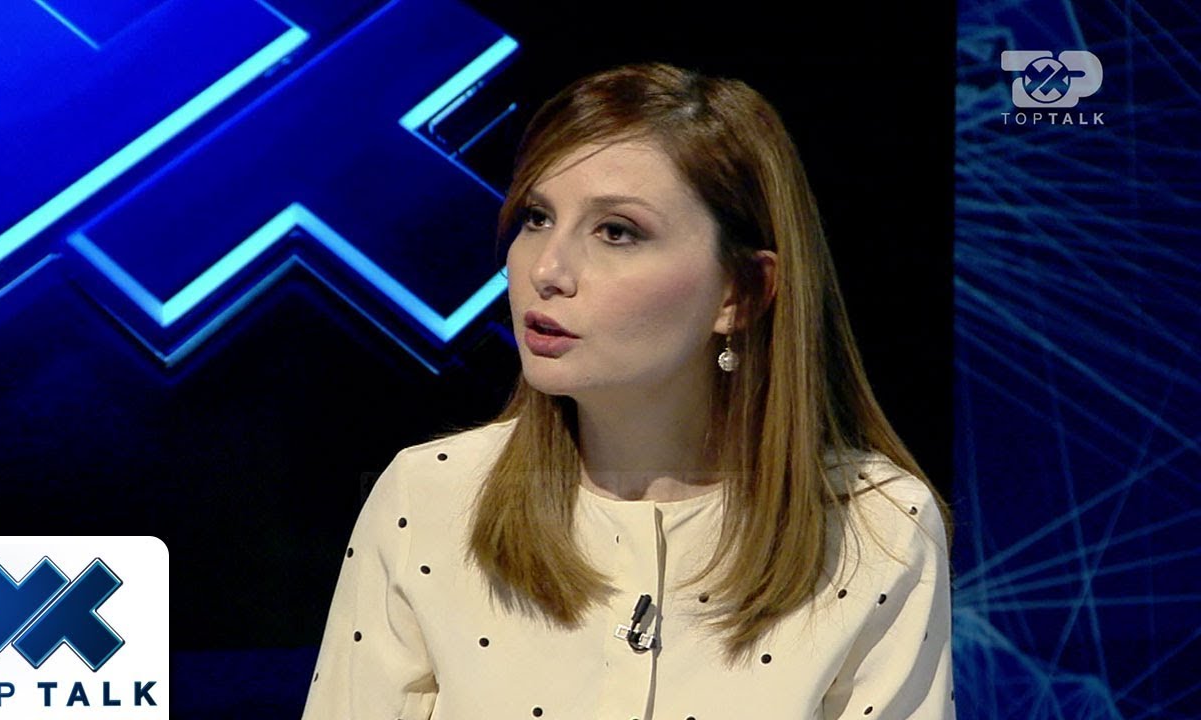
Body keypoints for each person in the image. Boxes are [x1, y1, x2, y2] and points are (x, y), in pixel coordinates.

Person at [302, 62, 954, 719]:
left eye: (616, 231)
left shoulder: (878, 528)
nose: (547, 270)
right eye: (536, 218)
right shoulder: (428, 499)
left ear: (742, 292)